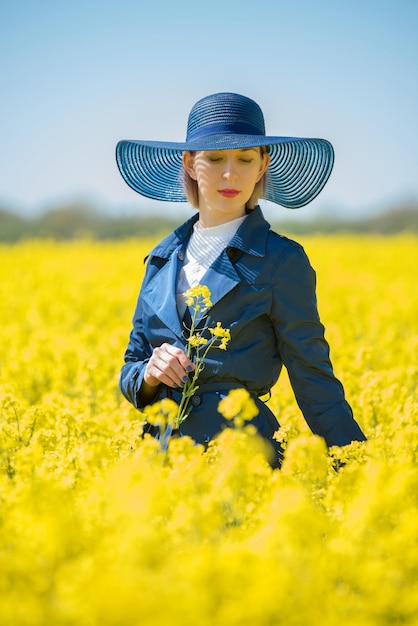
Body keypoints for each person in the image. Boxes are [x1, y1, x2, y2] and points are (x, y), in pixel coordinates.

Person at [115, 92, 366, 467]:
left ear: (263, 165)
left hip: (241, 461)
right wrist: (150, 373)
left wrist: (357, 470)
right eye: (215, 159)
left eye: (245, 159)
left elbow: (312, 377)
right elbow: (132, 366)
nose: (230, 174)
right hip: (159, 464)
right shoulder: (161, 259)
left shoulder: (281, 260)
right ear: (189, 163)